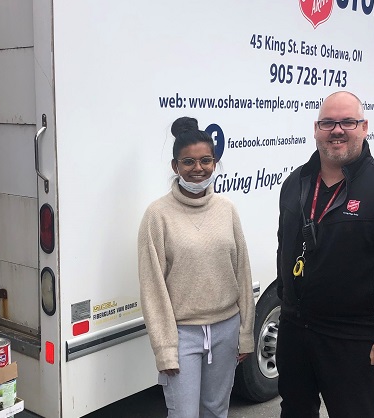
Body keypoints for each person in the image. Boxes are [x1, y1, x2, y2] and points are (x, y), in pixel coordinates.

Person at [276, 91, 374, 418]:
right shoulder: (296, 183)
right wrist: (285, 305)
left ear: (364, 127)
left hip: (354, 339)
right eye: (328, 122)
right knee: (295, 411)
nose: (337, 129)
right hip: (295, 330)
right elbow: (286, 247)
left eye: (348, 121)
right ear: (316, 129)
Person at [138, 116, 255, 418]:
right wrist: (165, 348)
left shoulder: (227, 210)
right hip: (182, 335)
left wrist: (245, 333)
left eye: (206, 160)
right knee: (184, 414)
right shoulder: (157, 215)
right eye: (188, 162)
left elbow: (242, 272)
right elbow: (153, 288)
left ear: (215, 163)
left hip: (226, 329)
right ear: (175, 167)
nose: (198, 168)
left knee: (217, 411)